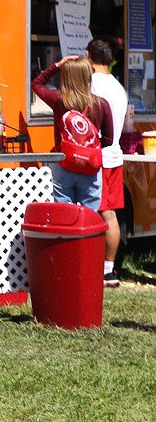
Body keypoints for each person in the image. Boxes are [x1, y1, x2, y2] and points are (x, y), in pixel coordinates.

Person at [32, 55, 113, 210]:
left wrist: (56, 66)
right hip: (90, 167)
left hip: (64, 164)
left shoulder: (58, 100)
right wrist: (87, 150)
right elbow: (109, 140)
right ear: (88, 76)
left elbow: (36, 83)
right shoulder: (102, 104)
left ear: (66, 76)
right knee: (89, 218)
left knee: (64, 216)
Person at [87, 37, 128, 288]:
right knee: (109, 213)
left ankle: (92, 265)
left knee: (92, 211)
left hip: (96, 156)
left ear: (89, 56)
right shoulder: (118, 87)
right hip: (115, 155)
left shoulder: (91, 84)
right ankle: (108, 271)